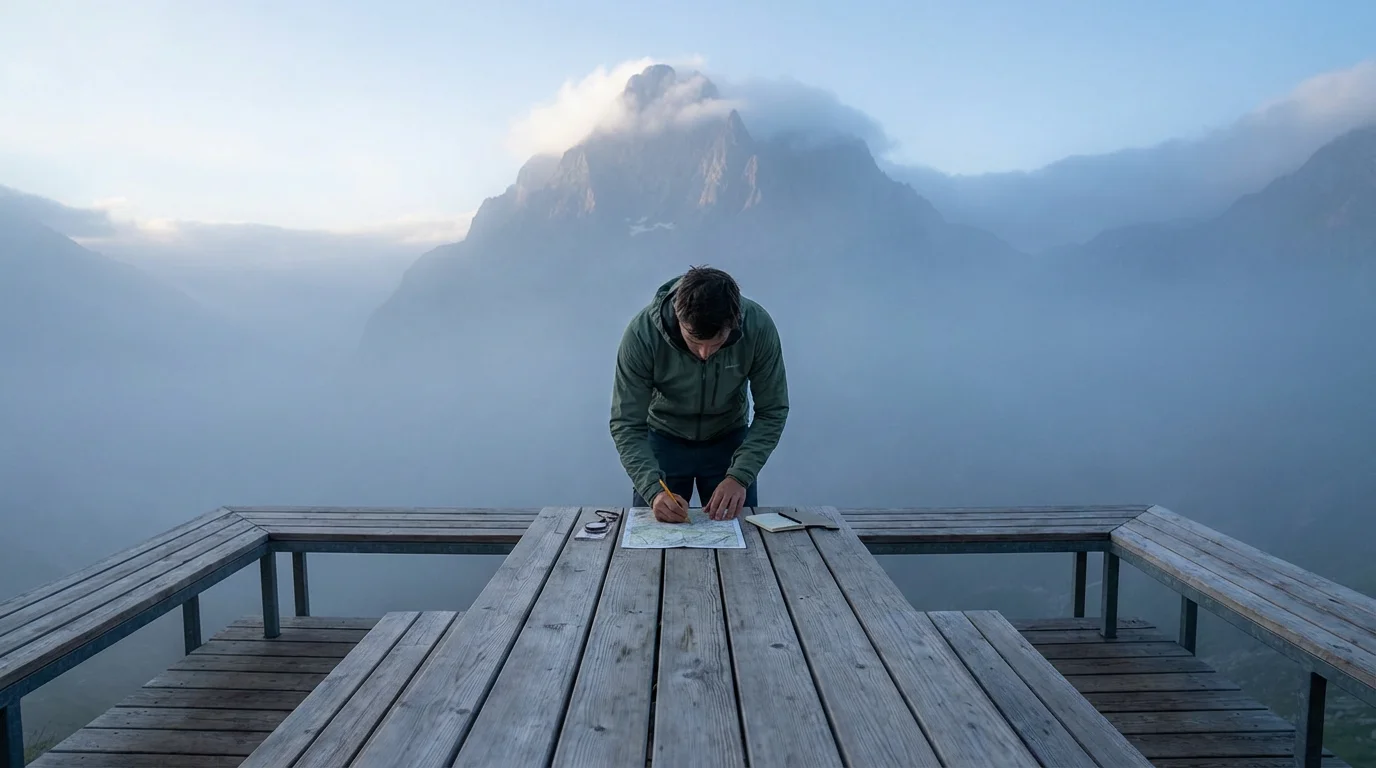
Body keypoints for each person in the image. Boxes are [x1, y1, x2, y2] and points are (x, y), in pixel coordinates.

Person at [609, 265, 789, 523]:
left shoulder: (758, 328)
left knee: (741, 539)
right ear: (678, 317)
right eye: (695, 341)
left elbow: (772, 411)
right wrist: (653, 489)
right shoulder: (642, 335)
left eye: (716, 343)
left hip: (729, 441)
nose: (704, 354)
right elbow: (626, 423)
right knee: (657, 532)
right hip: (662, 441)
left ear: (735, 320)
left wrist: (740, 476)